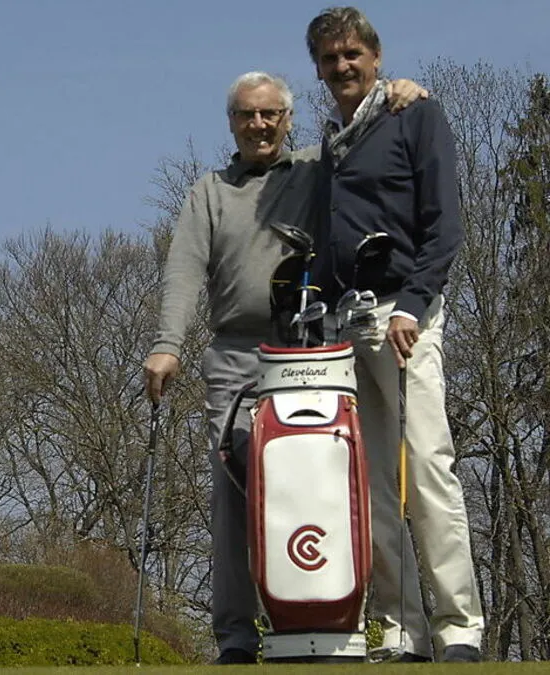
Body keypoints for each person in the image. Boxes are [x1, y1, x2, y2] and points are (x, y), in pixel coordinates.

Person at [142, 71, 426, 665]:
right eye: (247, 115)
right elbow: (184, 271)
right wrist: (168, 344)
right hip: (237, 358)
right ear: (232, 123)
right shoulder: (210, 191)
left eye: (270, 114)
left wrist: (400, 94)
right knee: (235, 496)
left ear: (287, 119)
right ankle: (238, 639)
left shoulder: (313, 169)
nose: (260, 125)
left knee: (335, 486)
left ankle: (341, 618)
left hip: (315, 350)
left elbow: (364, 137)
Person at [305, 6, 485, 664]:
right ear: (319, 70)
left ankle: (459, 625)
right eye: (330, 59)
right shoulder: (331, 142)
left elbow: (444, 223)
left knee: (428, 469)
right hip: (346, 326)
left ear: (376, 59)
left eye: (353, 54)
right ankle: (403, 629)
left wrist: (415, 303)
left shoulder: (415, 116)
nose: (343, 66)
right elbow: (327, 244)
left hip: (404, 317)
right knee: (373, 482)